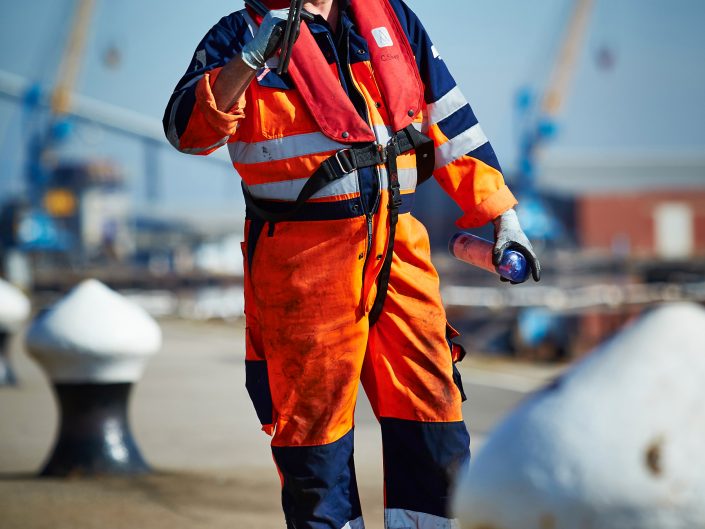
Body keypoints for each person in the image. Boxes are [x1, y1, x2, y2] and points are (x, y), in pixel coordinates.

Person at [163, 1, 540, 527]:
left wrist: (503, 216)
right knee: (315, 446)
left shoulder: (392, 18)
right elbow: (186, 131)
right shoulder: (237, 35)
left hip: (399, 250)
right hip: (303, 267)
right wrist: (249, 61)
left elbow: (451, 120)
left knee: (435, 423)